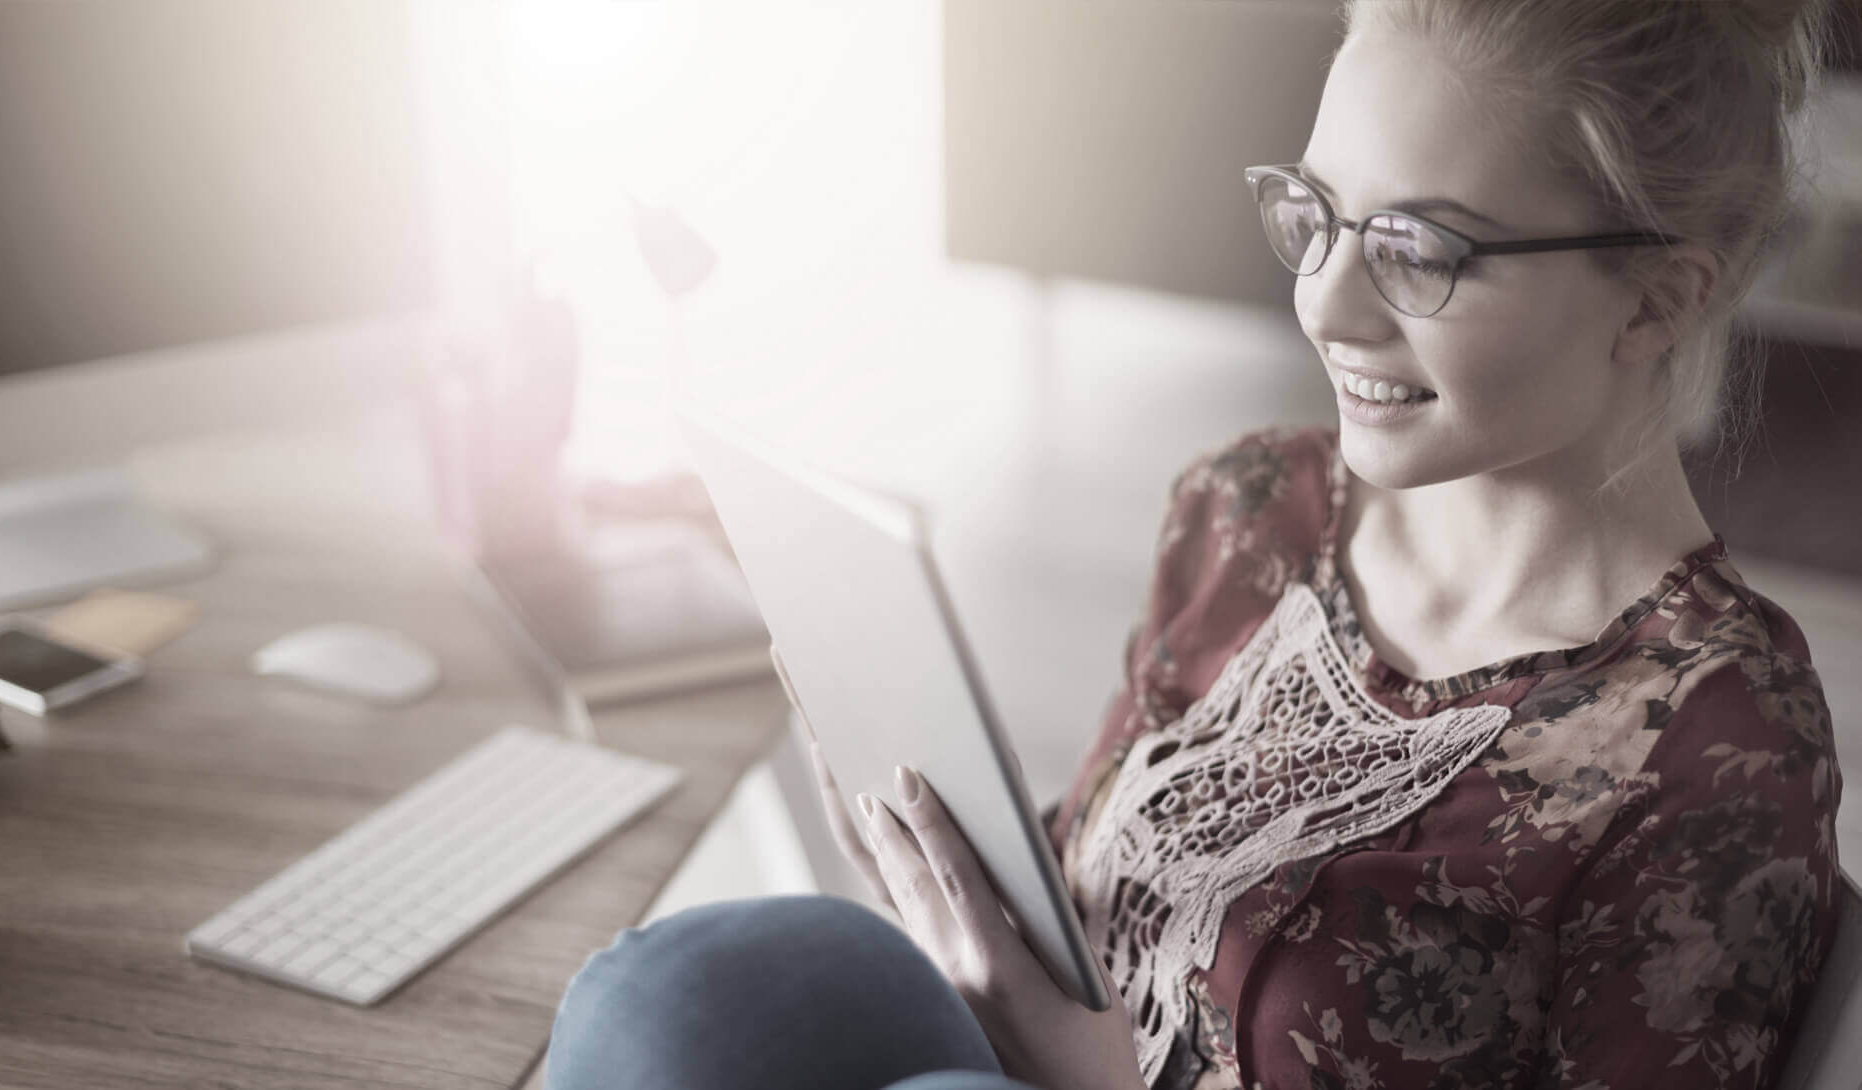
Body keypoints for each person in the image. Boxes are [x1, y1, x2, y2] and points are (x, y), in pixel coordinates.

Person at [541, 1, 1846, 1087]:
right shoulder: (1252, 508)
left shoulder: (1718, 733)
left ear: (1655, 300)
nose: (1323, 302)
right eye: (1316, 216)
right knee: (662, 1000)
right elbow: (1099, 885)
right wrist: (956, 901)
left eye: (1418, 249)